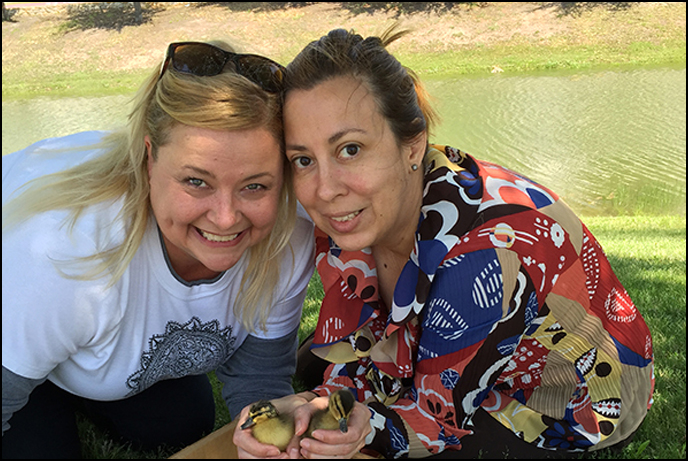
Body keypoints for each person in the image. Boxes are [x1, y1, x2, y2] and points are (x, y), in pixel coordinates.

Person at [245, 27, 654, 459]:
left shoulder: (484, 260)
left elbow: (435, 420)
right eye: (303, 160)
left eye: (350, 149)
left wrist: (361, 430)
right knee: (315, 372)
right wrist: (322, 401)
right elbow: (354, 347)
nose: (324, 190)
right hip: (457, 332)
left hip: (567, 399)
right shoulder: (354, 210)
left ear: (413, 144)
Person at [2, 40, 315, 458]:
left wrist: (274, 442)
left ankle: (68, 368)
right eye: (196, 182)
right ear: (150, 158)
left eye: (255, 185)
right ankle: (43, 375)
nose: (225, 218)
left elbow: (260, 376)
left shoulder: (288, 234)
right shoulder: (67, 249)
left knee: (184, 420)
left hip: (53, 328)